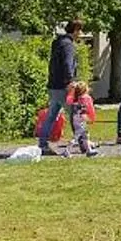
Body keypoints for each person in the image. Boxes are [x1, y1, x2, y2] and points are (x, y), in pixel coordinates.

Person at [41, 19, 82, 157]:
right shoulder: (68, 45)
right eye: (80, 31)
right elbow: (67, 63)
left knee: (51, 116)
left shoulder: (57, 42)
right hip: (64, 86)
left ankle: (42, 143)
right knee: (75, 115)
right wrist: (71, 81)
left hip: (53, 84)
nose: (80, 34)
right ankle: (83, 143)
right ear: (75, 30)